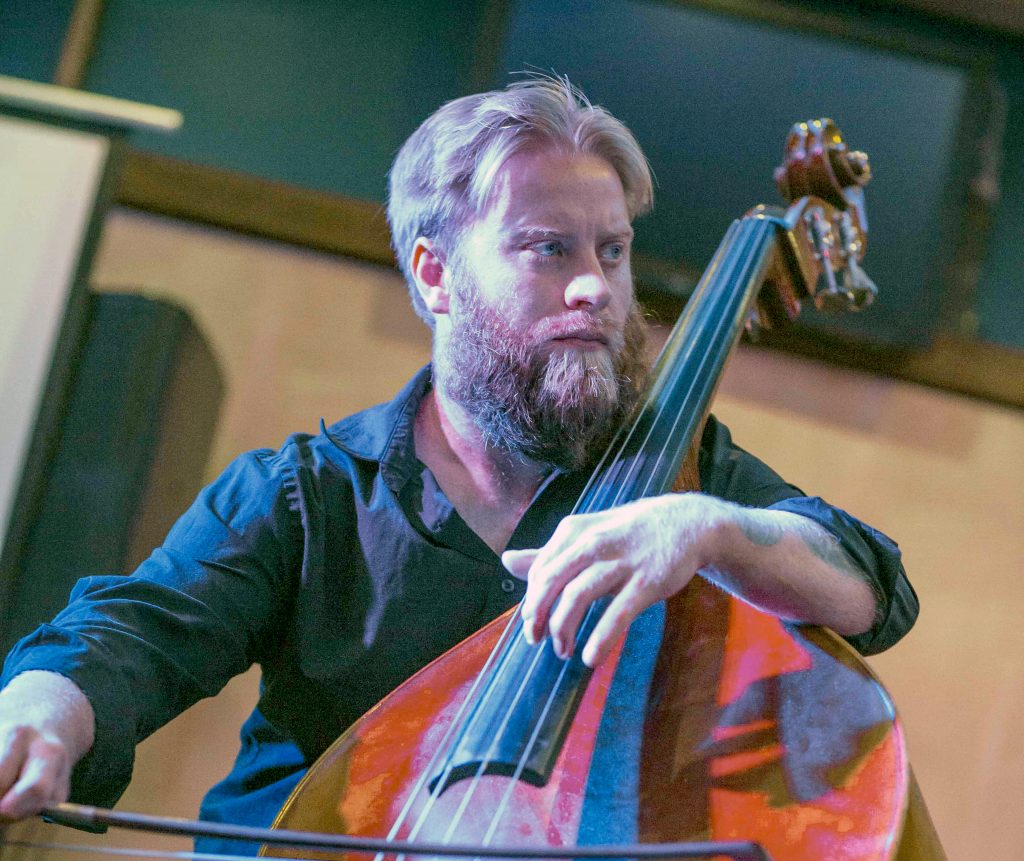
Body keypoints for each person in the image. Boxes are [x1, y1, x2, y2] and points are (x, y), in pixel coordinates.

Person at [0, 77, 917, 853]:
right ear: (437, 275)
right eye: (549, 248)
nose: (597, 285)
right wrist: (39, 708)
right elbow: (131, 636)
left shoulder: (678, 474)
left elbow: (871, 587)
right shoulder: (307, 492)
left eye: (614, 250)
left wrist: (717, 528)